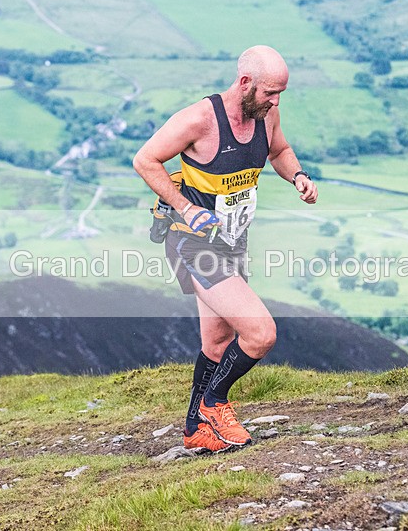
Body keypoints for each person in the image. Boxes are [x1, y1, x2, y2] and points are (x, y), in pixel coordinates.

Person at [133, 45, 318, 452]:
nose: (275, 101)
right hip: (192, 242)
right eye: (270, 92)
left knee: (217, 343)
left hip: (231, 242)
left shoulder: (266, 114)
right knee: (260, 333)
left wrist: (298, 177)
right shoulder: (199, 120)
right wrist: (185, 207)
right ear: (245, 82)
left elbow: (279, 151)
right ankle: (214, 405)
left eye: (280, 94)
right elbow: (145, 159)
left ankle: (194, 431)